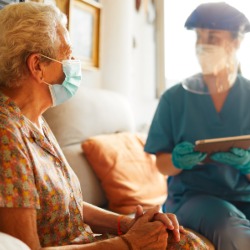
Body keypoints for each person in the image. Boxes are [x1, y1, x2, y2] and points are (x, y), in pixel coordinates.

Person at [0, 2, 209, 250]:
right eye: (66, 54)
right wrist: (129, 243)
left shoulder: (36, 119)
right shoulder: (6, 136)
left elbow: (68, 205)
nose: (74, 62)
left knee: (180, 239)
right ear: (37, 66)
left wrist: (128, 224)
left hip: (91, 241)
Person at [145, 2, 250, 250]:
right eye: (199, 37)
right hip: (193, 199)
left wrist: (247, 164)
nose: (203, 46)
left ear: (235, 43)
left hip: (244, 196)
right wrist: (178, 161)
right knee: (229, 228)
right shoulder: (174, 98)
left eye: (212, 37)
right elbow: (162, 164)